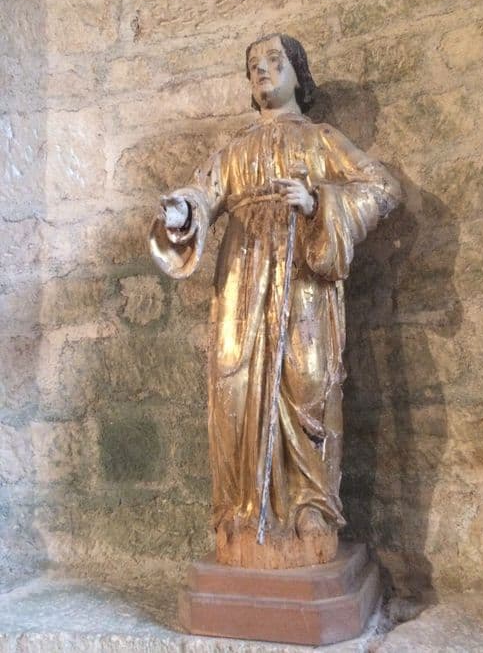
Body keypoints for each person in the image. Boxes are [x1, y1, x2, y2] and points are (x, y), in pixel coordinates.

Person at [150, 34, 401, 568]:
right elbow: (203, 193)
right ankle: (241, 513)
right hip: (241, 278)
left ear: (297, 74)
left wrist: (319, 203)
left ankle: (311, 511)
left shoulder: (322, 139)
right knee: (233, 385)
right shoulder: (234, 151)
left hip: (302, 275)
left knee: (307, 382)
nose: (261, 70)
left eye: (273, 60)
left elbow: (381, 188)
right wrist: (183, 211)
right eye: (252, 65)